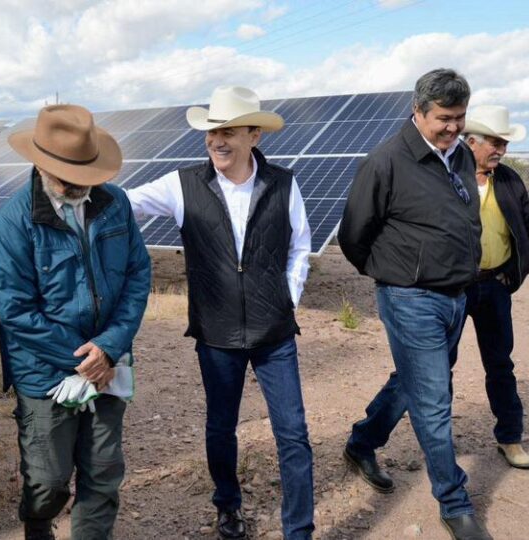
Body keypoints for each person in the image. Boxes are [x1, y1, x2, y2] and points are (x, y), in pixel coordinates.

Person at [126, 86, 314, 540]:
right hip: (216, 333)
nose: (217, 141)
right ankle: (227, 505)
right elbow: (122, 203)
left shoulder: (283, 183)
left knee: (292, 433)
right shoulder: (181, 184)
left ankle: (300, 530)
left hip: (275, 333)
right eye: (212, 132)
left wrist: (286, 298)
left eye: (229, 131)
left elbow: (300, 247)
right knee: (221, 427)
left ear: (254, 135)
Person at [337, 68, 492, 540]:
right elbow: (353, 235)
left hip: (455, 297)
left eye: (460, 118)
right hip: (411, 298)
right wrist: (396, 276)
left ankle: (362, 443)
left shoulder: (461, 155)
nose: (453, 127)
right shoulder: (386, 161)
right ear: (418, 112)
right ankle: (454, 501)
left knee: (413, 383)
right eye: (444, 118)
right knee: (434, 400)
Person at [0, 105, 150, 540]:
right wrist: (83, 359)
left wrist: (110, 346)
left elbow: (138, 274)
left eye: (87, 174)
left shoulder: (115, 203)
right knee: (48, 478)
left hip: (108, 362)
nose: (81, 186)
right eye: (68, 176)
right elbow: (15, 310)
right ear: (41, 164)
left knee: (103, 472)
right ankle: (38, 523)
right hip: (44, 371)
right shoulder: (12, 223)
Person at [458, 106, 529, 469]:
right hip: (453, 289)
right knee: (436, 367)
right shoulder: (447, 178)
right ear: (471, 141)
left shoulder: (509, 181)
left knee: (500, 365)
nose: (501, 150)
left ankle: (510, 438)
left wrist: (511, 275)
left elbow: (528, 232)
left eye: (504, 144)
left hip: (494, 287)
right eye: (495, 142)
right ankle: (437, 446)